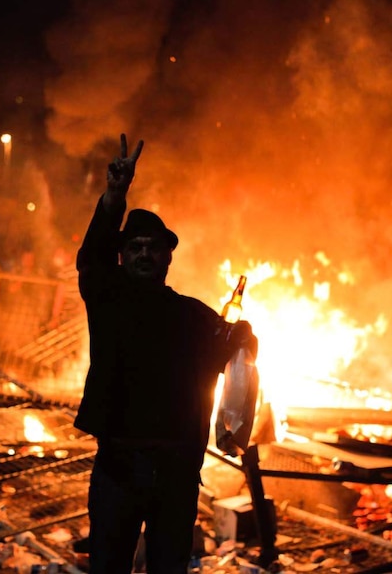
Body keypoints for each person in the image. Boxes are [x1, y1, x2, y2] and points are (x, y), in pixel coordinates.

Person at [76, 134, 257, 572]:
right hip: (119, 465)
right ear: (122, 257)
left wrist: (245, 338)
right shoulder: (107, 300)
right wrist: (114, 196)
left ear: (166, 258)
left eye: (152, 247)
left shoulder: (191, 314)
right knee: (108, 566)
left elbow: (230, 349)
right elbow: (92, 257)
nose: (143, 254)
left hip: (176, 473)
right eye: (134, 247)